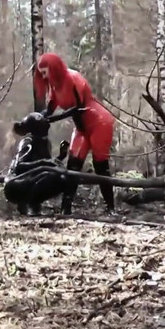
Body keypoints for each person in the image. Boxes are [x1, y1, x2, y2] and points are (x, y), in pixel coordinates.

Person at [33, 52, 116, 215]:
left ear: (53, 68)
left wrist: (53, 119)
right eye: (41, 73)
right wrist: (39, 118)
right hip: (81, 127)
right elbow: (49, 109)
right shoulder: (54, 87)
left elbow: (79, 108)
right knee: (73, 164)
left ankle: (111, 208)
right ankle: (66, 208)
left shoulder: (73, 78)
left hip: (99, 122)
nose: (43, 77)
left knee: (101, 165)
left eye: (44, 72)